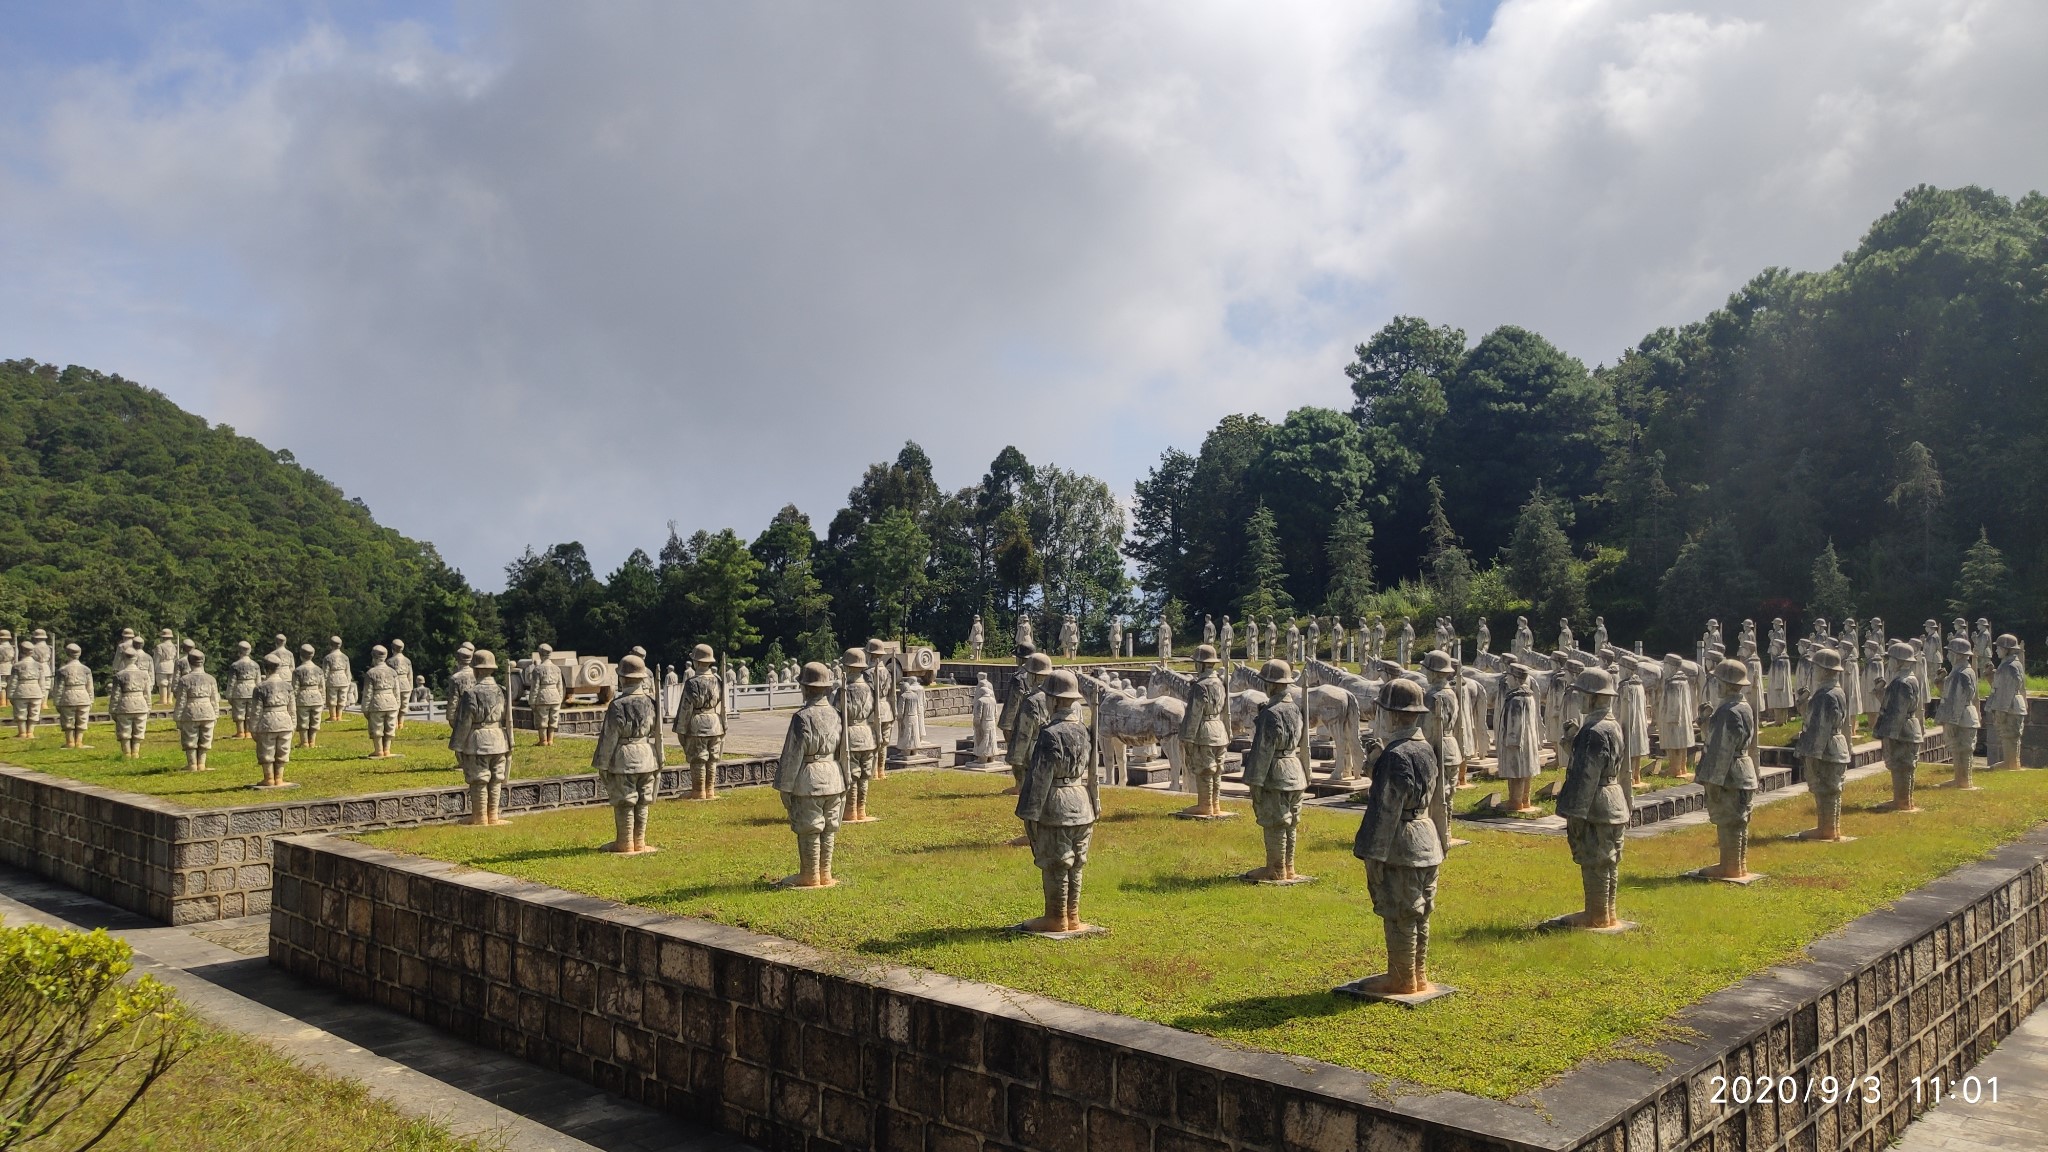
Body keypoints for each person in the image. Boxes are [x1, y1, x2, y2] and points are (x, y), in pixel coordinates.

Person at [1344, 678, 1445, 997]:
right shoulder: (1425, 747)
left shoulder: (1396, 755)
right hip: (1426, 840)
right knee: (1420, 912)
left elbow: (1385, 809)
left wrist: (1372, 854)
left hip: (1400, 843)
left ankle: (1401, 978)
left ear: (1391, 715)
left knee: (1400, 912)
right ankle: (1417, 974)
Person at [1014, 669, 1099, 934]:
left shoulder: (1051, 734)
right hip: (1082, 804)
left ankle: (1056, 917)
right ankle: (1073, 916)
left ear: (1053, 700)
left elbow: (1040, 778)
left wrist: (1029, 813)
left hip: (1056, 805)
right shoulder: (1085, 731)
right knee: (1077, 863)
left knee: (1056, 863)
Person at [1554, 668, 1629, 928]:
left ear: (1594, 697)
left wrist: (1574, 813)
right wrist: (1572, 743)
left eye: (1582, 694)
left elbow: (1587, 776)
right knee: (1608, 860)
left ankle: (1595, 915)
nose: (1579, 700)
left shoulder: (1593, 731)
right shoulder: (1611, 725)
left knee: (1593, 859)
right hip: (1613, 800)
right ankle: (1607, 913)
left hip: (1595, 803)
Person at [774, 662, 847, 888]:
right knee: (829, 828)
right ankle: (825, 873)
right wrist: (847, 779)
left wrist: (785, 786)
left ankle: (810, 875)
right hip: (834, 777)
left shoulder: (802, 717)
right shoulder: (836, 714)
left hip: (808, 778)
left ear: (806, 688)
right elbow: (845, 750)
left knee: (809, 828)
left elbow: (792, 755)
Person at [1241, 659, 1308, 884]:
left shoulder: (1271, 713)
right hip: (1294, 771)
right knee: (1291, 822)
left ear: (1271, 685)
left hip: (1275, 772)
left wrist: (1254, 781)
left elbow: (1263, 750)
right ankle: (1288, 867)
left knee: (1275, 822)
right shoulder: (1295, 709)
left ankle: (1276, 868)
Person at [1692, 659, 1758, 881]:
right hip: (1744, 769)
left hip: (1730, 773)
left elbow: (1721, 750)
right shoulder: (1744, 706)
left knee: (1728, 820)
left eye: (1718, 680)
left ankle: (1729, 866)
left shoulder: (1728, 712)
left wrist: (1712, 782)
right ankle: (1737, 864)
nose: (1716, 684)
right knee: (1739, 820)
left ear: (1727, 684)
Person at [593, 654, 661, 852]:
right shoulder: (651, 702)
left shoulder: (618, 705)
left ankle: (625, 843)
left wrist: (602, 764)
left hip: (624, 757)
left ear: (622, 678)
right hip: (647, 757)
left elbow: (609, 737)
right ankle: (639, 842)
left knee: (625, 801)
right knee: (643, 801)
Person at [1796, 648, 1856, 837]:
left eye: (1815, 667)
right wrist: (1805, 708)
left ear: (1824, 670)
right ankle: (1831, 827)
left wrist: (1811, 754)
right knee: (1833, 789)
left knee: (1824, 789)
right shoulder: (1836, 691)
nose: (1813, 671)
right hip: (1837, 745)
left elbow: (1819, 728)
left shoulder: (1824, 695)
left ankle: (1826, 829)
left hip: (1826, 747)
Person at [451, 650, 512, 826]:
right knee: (496, 779)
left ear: (476, 670)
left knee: (479, 779)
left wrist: (457, 745)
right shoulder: (502, 691)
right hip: (499, 740)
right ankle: (493, 816)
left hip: (477, 740)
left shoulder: (471, 694)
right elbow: (507, 717)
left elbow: (464, 722)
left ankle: (480, 817)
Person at [1177, 645, 1232, 818]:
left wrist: (1187, 738)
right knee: (1217, 770)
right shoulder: (1221, 684)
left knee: (1205, 769)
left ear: (1201, 665)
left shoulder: (1200, 686)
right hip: (1219, 731)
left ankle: (1205, 805)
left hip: (1204, 731)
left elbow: (1194, 714)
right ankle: (1214, 804)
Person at [1872, 640, 1925, 812]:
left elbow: (1897, 712)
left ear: (1900, 661)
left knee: (1900, 765)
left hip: (1901, 729)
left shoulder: (1901, 682)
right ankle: (1904, 800)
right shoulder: (1910, 679)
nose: (1889, 662)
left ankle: (1901, 801)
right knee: (1906, 766)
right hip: (1909, 726)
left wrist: (1887, 734)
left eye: (1892, 659)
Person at [673, 644, 725, 799]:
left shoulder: (692, 683)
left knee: (698, 758)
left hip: (697, 723)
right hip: (715, 723)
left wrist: (680, 729)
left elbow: (685, 708)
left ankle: (698, 791)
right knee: (712, 759)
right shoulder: (717, 681)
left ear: (696, 661)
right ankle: (710, 790)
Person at [1002, 651, 1053, 797]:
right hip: (1050, 743)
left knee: (1028, 768)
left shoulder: (1032, 700)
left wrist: (1014, 755)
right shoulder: (1053, 696)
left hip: (1033, 743)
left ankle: (1025, 789)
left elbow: (1024, 733)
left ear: (1034, 675)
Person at [836, 648, 878, 822]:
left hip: (851, 734)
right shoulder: (869, 688)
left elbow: (837, 712)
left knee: (852, 775)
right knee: (865, 776)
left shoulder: (845, 690)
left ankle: (851, 810)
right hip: (867, 735)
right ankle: (862, 810)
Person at [1494, 663, 1542, 812]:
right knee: (1526, 771)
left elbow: (1515, 725)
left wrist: (1511, 742)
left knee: (1516, 772)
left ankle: (1514, 802)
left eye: (1508, 676)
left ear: (1515, 678)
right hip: (1528, 741)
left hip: (1516, 743)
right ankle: (1525, 800)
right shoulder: (1529, 697)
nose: (1506, 679)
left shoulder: (1516, 700)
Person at [1936, 637, 1981, 791]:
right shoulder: (1965, 670)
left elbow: (1959, 699)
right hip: (1965, 715)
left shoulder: (1960, 673)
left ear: (1958, 654)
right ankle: (1960, 779)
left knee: (1962, 748)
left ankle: (1963, 781)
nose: (1948, 655)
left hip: (1961, 716)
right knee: (1959, 749)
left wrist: (1952, 721)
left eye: (1950, 652)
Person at [251, 654, 295, 787]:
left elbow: (256, 711)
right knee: (283, 751)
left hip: (267, 722)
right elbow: (292, 709)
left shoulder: (260, 688)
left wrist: (253, 728)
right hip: (285, 721)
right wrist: (293, 725)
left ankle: (269, 778)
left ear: (265, 668)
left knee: (267, 751)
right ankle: (279, 778)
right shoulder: (288, 686)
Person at [174, 649, 221, 771]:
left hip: (190, 712)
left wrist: (178, 717)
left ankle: (192, 764)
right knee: (205, 738)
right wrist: (216, 714)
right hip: (208, 712)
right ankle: (201, 764)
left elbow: (181, 701)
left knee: (190, 738)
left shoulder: (184, 680)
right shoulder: (211, 679)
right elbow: (215, 699)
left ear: (189, 662)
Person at [1987, 634, 2027, 772]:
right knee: (2012, 735)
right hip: (2016, 703)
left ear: (2006, 649)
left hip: (2010, 705)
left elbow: (2006, 690)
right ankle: (2012, 762)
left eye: (1998, 647)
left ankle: (2010, 763)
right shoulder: (2015, 664)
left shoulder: (2008, 666)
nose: (1996, 650)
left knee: (2008, 734)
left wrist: (2001, 710)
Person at [110, 645, 154, 759]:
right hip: (141, 705)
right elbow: (147, 694)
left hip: (125, 705)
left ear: (123, 658)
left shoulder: (119, 675)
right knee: (139, 730)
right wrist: (149, 707)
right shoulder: (144, 675)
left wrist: (113, 709)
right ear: (136, 659)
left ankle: (127, 754)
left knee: (124, 730)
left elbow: (115, 695)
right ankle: (136, 753)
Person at [361, 645, 402, 758]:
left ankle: (378, 750)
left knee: (377, 727)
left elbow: (367, 693)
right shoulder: (393, 672)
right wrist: (398, 704)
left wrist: (365, 708)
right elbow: (397, 691)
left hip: (377, 702)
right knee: (390, 727)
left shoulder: (371, 673)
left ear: (373, 656)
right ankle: (387, 750)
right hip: (392, 702)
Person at [53, 644, 93, 749]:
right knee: (82, 720)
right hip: (83, 697)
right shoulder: (86, 669)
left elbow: (59, 688)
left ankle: (70, 742)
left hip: (68, 697)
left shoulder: (62, 670)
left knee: (68, 720)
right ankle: (79, 742)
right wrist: (91, 700)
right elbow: (90, 687)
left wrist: (57, 702)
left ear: (67, 654)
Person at [526, 644, 566, 747]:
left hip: (543, 696)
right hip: (555, 696)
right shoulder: (557, 669)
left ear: (540, 654)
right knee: (553, 719)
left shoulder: (538, 669)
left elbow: (535, 687)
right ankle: (551, 740)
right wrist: (560, 698)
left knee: (542, 719)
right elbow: (560, 686)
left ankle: (543, 740)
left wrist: (532, 701)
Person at [292, 644, 325, 748]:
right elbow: (322, 687)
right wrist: (323, 699)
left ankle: (304, 742)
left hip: (303, 697)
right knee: (315, 720)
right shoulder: (319, 670)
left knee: (303, 720)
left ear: (301, 655)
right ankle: (312, 741)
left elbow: (295, 688)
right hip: (317, 697)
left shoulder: (298, 671)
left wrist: (294, 699)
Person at [226, 641, 260, 739]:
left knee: (239, 712)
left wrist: (229, 694)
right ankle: (248, 732)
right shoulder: (255, 665)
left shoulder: (235, 665)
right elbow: (258, 681)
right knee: (250, 712)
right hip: (252, 689)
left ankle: (240, 732)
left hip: (239, 690)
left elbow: (232, 682)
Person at [971, 673, 1000, 765]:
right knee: (991, 739)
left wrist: (976, 723)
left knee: (984, 738)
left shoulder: (981, 701)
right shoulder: (993, 700)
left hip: (984, 721)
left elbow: (978, 715)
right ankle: (991, 757)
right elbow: (996, 713)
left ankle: (982, 757)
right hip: (992, 721)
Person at [321, 636, 352, 721]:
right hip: (343, 679)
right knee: (342, 698)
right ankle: (339, 716)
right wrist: (348, 681)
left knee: (332, 698)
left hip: (332, 679)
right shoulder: (345, 657)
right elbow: (348, 671)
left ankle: (333, 716)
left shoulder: (328, 658)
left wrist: (324, 682)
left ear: (331, 644)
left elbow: (325, 672)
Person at [388, 640, 415, 731]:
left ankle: (395, 723)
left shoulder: (390, 661)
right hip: (406, 684)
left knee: (395, 704)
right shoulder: (407, 661)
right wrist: (411, 687)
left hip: (394, 685)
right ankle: (401, 723)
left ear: (393, 648)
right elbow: (410, 676)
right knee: (404, 705)